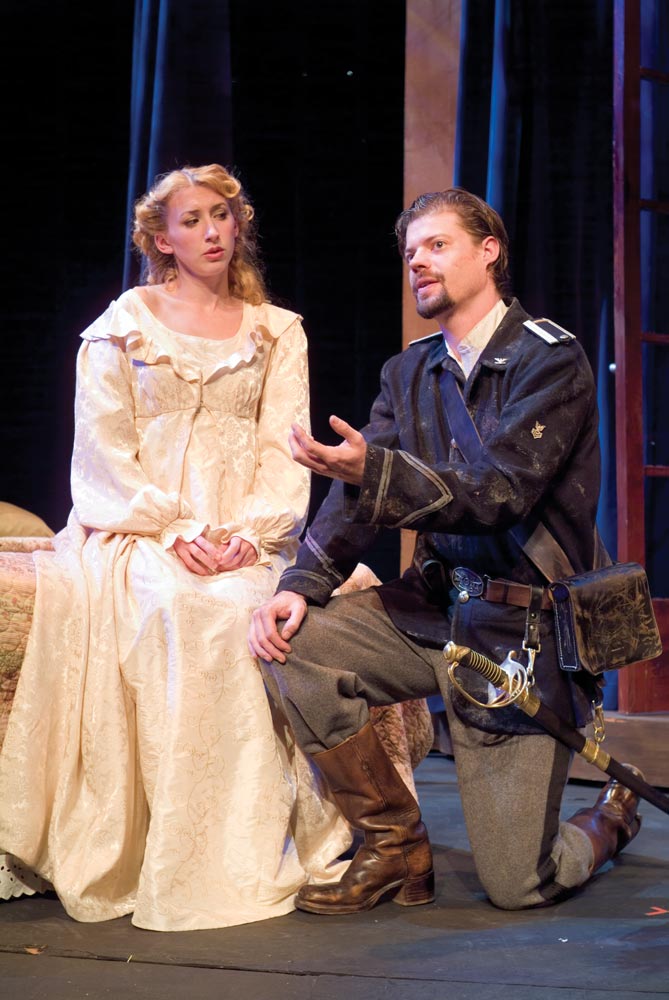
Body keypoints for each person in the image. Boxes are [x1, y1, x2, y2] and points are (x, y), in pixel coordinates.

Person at [248, 187, 643, 915]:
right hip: (432, 610)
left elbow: (501, 492)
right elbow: (356, 498)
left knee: (518, 885)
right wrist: (301, 584)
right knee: (293, 645)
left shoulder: (549, 360)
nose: (418, 263)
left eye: (436, 245)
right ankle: (395, 846)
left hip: (519, 633)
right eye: (410, 253)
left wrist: (374, 471)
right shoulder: (408, 372)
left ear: (489, 251)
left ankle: (609, 819)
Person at [0, 163, 353, 930]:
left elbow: (283, 449)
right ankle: (173, 849)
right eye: (191, 220)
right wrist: (174, 529)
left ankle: (246, 845)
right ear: (162, 239)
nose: (212, 231)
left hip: (244, 535)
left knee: (246, 610)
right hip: (139, 530)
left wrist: (249, 536)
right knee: (175, 606)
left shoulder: (275, 331)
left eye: (222, 216)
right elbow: (102, 449)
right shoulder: (124, 323)